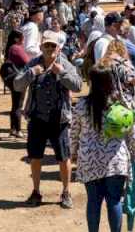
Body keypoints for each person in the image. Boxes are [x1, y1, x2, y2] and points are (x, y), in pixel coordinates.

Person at [71, 64, 135, 232]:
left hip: (89, 159)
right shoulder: (122, 103)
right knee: (114, 201)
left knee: (93, 201)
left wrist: (73, 153)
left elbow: (74, 132)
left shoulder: (83, 105)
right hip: (115, 160)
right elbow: (131, 133)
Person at [13, 30, 83, 207]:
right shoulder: (33, 64)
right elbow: (17, 84)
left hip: (59, 119)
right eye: (47, 45)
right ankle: (36, 191)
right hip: (37, 118)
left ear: (59, 48)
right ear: (40, 47)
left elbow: (78, 86)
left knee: (63, 157)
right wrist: (32, 73)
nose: (50, 49)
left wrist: (62, 74)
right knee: (35, 157)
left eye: (53, 46)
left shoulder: (65, 64)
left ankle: (66, 192)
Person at [4, 30, 30, 138]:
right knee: (18, 105)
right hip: (19, 78)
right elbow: (27, 61)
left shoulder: (11, 47)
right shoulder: (16, 48)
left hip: (14, 78)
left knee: (15, 104)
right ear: (16, 38)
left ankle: (13, 129)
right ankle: (18, 130)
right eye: (22, 38)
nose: (23, 40)